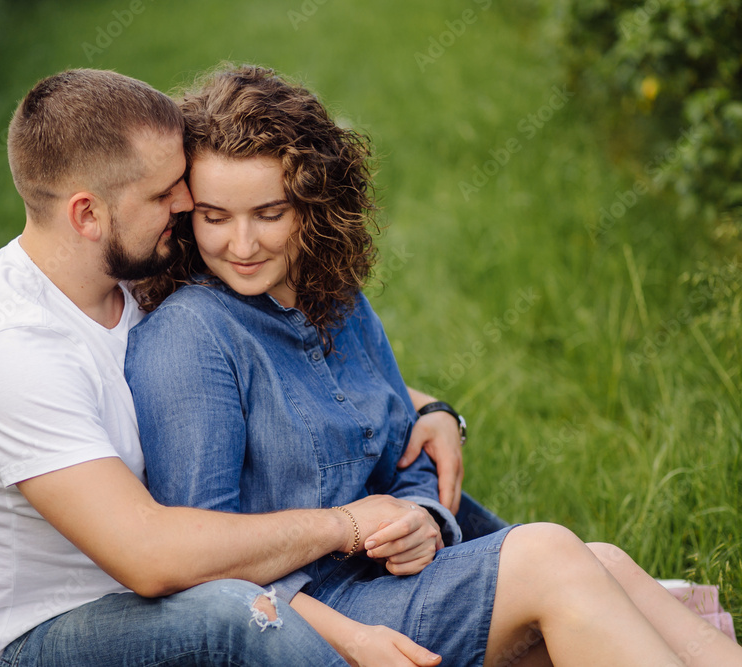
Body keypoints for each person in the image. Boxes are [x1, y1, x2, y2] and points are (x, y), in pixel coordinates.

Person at [125, 64, 742, 666]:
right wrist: (349, 639)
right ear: (185, 214)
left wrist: (425, 520)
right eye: (215, 217)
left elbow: (403, 449)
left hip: (388, 582)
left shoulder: (337, 304)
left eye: (269, 213)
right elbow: (200, 570)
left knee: (599, 559)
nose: (242, 244)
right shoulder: (191, 335)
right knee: (552, 555)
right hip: (308, 619)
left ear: (313, 205)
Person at [0, 67, 493, 667]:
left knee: (550, 558)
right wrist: (345, 526)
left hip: (146, 600)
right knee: (236, 614)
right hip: (36, 640)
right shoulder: (10, 350)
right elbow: (152, 559)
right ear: (87, 215)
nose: (187, 204)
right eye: (165, 194)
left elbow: (294, 370)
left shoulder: (133, 281)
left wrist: (431, 410)